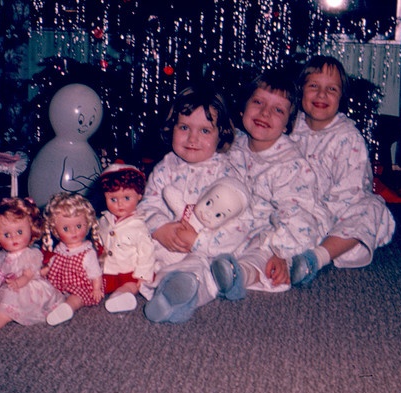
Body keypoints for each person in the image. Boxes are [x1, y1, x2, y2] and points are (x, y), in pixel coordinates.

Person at [137, 82, 252, 323]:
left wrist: (200, 242)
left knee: (202, 271)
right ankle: (151, 285)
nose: (192, 138)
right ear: (172, 128)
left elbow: (241, 223)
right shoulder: (165, 167)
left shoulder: (226, 173)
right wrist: (159, 228)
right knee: (134, 249)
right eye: (184, 127)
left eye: (205, 131)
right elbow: (148, 205)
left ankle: (179, 296)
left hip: (206, 249)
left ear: (221, 135)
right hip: (166, 244)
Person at [210, 69, 325, 300]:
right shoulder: (233, 145)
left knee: (260, 254)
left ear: (286, 125)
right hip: (235, 224)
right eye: (258, 102)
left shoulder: (289, 164)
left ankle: (239, 274)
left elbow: (298, 217)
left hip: (274, 230)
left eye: (278, 110)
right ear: (243, 107)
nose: (265, 112)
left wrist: (281, 251)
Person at [288, 55, 395, 285]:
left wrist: (321, 215)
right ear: (301, 91)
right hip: (294, 208)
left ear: (341, 98)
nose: (321, 95)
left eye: (331, 89)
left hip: (335, 214)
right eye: (314, 86)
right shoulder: (290, 127)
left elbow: (352, 190)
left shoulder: (348, 137)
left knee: (372, 208)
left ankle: (317, 257)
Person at [0, 197, 64, 340]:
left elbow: (29, 274)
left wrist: (18, 283)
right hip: (9, 288)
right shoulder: (2, 255)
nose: (13, 238)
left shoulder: (30, 254)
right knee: (0, 311)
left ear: (31, 229)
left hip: (28, 289)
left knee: (8, 310)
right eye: (6, 235)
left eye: (19, 232)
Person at [97, 163, 156, 313]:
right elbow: (99, 238)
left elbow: (147, 253)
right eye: (113, 199)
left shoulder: (138, 227)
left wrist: (143, 275)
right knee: (96, 284)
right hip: (108, 269)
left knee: (130, 285)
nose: (120, 204)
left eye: (126, 198)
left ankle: (121, 296)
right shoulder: (104, 220)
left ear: (139, 196)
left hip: (129, 270)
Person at [42, 192, 104, 325]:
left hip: (80, 286)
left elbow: (95, 273)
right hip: (59, 285)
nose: (74, 232)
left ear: (87, 224)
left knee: (76, 298)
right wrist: (43, 272)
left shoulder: (87, 252)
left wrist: (96, 288)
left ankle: (69, 308)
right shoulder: (59, 249)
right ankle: (48, 308)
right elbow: (52, 265)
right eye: (66, 228)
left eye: (79, 226)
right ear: (55, 230)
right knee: (46, 293)